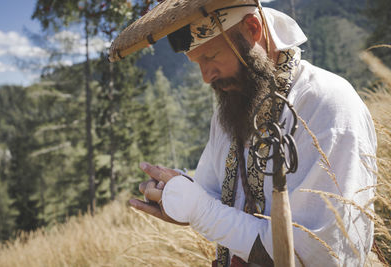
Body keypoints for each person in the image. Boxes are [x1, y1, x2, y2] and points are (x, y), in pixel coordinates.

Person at [127, 2, 377, 266]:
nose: (205, 76)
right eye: (196, 62)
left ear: (252, 28)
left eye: (210, 56)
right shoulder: (234, 107)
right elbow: (211, 193)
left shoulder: (326, 104)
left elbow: (319, 255)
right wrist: (176, 196)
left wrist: (200, 211)